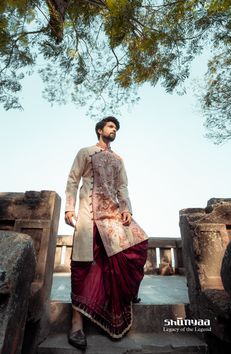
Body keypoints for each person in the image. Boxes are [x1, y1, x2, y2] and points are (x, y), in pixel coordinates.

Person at [65, 116, 148, 350]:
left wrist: (126, 209)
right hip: (89, 215)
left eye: (116, 128)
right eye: (111, 126)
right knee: (82, 264)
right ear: (100, 130)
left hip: (112, 215)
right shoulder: (86, 152)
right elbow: (72, 180)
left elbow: (123, 187)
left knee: (138, 245)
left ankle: (127, 292)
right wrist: (69, 207)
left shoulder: (118, 159)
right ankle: (76, 323)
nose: (114, 130)